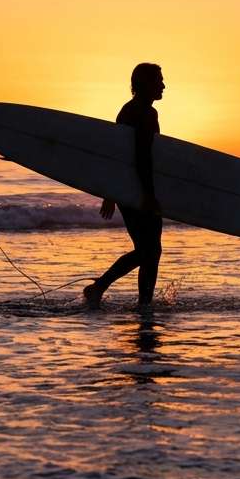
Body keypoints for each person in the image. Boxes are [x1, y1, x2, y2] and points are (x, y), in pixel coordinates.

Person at [83, 63, 165, 308]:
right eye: (158, 80)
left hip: (126, 189)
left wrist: (112, 191)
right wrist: (149, 195)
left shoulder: (127, 110)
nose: (163, 85)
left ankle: (141, 303)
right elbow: (142, 157)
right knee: (148, 250)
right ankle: (101, 288)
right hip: (138, 189)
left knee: (149, 249)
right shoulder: (145, 114)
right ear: (145, 84)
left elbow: (116, 154)